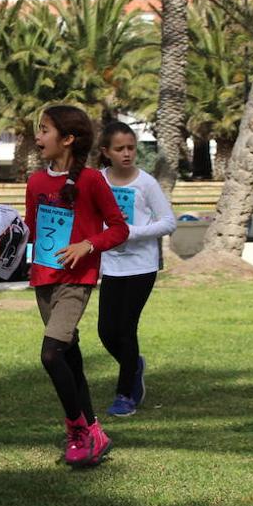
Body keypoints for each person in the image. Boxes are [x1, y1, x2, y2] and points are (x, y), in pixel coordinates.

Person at [10, 105, 128, 466]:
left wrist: (87, 245)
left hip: (76, 281)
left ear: (68, 139)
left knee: (51, 354)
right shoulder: (35, 182)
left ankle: (75, 429)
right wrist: (2, 234)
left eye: (44, 130)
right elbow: (30, 230)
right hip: (43, 280)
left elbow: (119, 229)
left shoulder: (92, 181)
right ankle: (94, 433)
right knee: (71, 359)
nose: (38, 137)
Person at [95, 121, 175, 418]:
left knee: (126, 329)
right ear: (106, 152)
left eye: (131, 148)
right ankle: (134, 364)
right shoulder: (97, 180)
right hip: (111, 265)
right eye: (120, 149)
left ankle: (125, 393)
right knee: (106, 331)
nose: (127, 154)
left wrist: (130, 232)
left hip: (141, 266)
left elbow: (169, 222)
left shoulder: (146, 183)